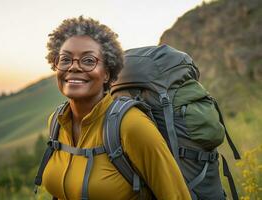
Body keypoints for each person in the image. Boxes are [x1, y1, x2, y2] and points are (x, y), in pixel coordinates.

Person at [42, 16, 191, 200]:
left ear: (106, 73)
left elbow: (176, 196)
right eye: (65, 59)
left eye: (88, 60)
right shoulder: (57, 122)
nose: (73, 67)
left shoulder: (131, 125)